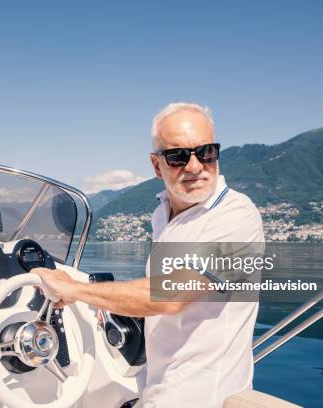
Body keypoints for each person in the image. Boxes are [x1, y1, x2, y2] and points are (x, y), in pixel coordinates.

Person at [32, 102, 264, 407]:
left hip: (203, 396)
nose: (194, 166)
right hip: (158, 387)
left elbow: (170, 295)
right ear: (157, 166)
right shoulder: (164, 213)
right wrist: (105, 302)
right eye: (178, 156)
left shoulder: (235, 215)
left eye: (205, 152)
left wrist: (75, 289)